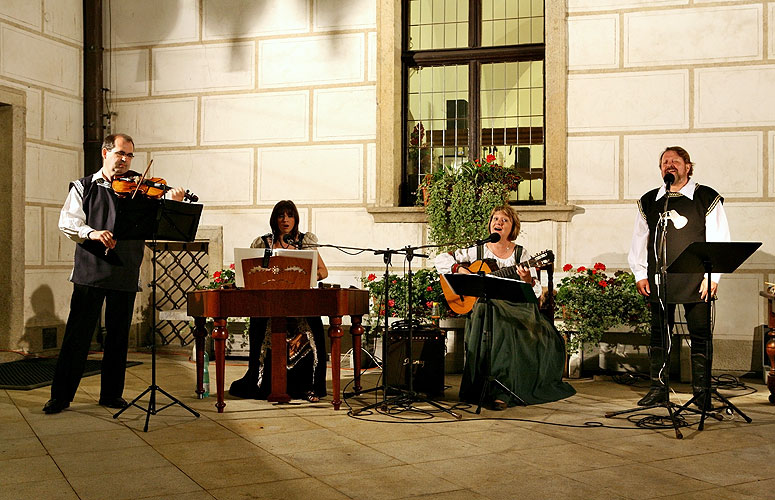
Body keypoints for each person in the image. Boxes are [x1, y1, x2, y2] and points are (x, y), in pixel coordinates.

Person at [44, 133, 187, 414]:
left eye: (129, 155)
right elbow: (68, 222)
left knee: (119, 337)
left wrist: (173, 202)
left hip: (125, 269)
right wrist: (93, 233)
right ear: (105, 153)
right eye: (120, 153)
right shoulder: (84, 186)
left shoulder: (141, 189)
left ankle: (111, 394)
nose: (125, 160)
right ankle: (60, 396)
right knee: (78, 335)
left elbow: (157, 224)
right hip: (91, 271)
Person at [435, 204, 575, 410]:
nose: (498, 223)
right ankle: (479, 387)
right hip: (485, 303)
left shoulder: (521, 254)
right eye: (495, 219)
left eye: (504, 220)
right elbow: (441, 259)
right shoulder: (477, 250)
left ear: (513, 227)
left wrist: (527, 279)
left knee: (500, 317)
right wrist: (460, 269)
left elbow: (533, 292)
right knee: (485, 309)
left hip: (516, 305)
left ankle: (503, 390)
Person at [628, 146, 730, 408]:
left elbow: (720, 238)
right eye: (665, 162)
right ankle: (658, 390)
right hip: (660, 278)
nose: (669, 165)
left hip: (698, 279)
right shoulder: (650, 201)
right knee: (659, 335)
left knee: (700, 333)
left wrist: (713, 276)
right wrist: (640, 272)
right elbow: (641, 239)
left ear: (688, 166)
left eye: (675, 161)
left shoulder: (705, 197)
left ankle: (702, 392)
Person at [229, 200, 330, 402]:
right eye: (281, 215)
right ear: (274, 219)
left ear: (295, 219)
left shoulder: (305, 241)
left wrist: (307, 277)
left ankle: (309, 387)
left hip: (299, 303)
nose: (285, 220)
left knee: (311, 329)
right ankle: (265, 385)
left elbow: (323, 271)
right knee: (261, 324)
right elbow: (249, 271)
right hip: (269, 304)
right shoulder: (262, 242)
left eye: (290, 215)